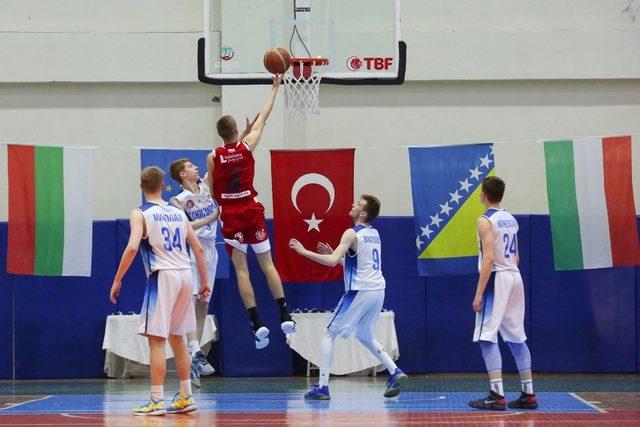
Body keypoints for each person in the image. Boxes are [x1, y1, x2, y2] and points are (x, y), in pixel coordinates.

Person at [109, 166, 212, 416]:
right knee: (178, 338)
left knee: (157, 341)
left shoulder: (141, 213)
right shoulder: (178, 212)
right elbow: (198, 249)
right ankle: (186, 396)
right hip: (186, 275)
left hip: (163, 275)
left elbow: (133, 248)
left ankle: (156, 400)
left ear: (141, 187)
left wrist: (117, 279)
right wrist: (205, 281)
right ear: (163, 184)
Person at [207, 74, 295, 349]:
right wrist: (275, 87)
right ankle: (284, 314)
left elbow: (212, 191)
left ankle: (257, 323)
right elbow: (264, 115)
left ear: (221, 134)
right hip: (251, 208)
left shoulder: (212, 156)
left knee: (242, 271)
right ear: (237, 130)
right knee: (268, 264)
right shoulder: (248, 145)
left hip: (231, 214)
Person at [289, 195, 407, 400]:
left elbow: (331, 260)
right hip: (378, 290)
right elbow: (357, 265)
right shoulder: (374, 233)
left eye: (358, 204)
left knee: (328, 334)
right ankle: (395, 371)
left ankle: (323, 387)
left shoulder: (351, 233)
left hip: (360, 291)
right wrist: (338, 258)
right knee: (365, 335)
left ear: (363, 213)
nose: (353, 204)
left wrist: (303, 251)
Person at [468, 176, 538, 411]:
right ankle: (528, 393)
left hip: (497, 277)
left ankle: (496, 394)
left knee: (487, 337)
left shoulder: (484, 220)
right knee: (517, 336)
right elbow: (516, 257)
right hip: (515, 277)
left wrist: (479, 293)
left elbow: (488, 258)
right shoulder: (510, 218)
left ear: (483, 194)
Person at [169, 158, 219, 388]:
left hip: (211, 250)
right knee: (190, 302)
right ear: (181, 174)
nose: (195, 167)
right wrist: (211, 218)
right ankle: (196, 351)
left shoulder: (206, 187)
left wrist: (245, 136)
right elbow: (185, 228)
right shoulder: (177, 200)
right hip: (191, 251)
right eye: (190, 166)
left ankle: (193, 358)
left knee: (203, 304)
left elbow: (217, 159)